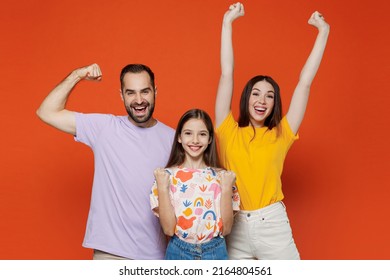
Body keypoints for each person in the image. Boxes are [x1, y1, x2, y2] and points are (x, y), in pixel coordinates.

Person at [215, 3, 330, 259]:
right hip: (233, 224)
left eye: (269, 96)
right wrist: (227, 23)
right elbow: (227, 73)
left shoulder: (282, 134)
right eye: (256, 93)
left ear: (274, 104)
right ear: (246, 98)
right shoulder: (227, 130)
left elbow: (305, 83)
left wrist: (323, 32)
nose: (261, 100)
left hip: (272, 224)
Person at [36, 63, 175, 259]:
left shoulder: (174, 139)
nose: (138, 100)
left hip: (156, 256)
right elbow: (47, 112)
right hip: (110, 254)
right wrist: (77, 75)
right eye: (130, 93)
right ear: (121, 95)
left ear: (155, 91)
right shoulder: (104, 128)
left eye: (145, 91)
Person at [150, 109, 240, 260]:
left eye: (202, 134)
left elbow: (227, 229)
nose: (195, 140)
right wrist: (163, 188)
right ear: (179, 137)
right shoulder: (166, 176)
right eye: (188, 133)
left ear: (210, 138)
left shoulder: (223, 177)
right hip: (178, 251)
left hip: (215, 251)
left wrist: (225, 189)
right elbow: (168, 229)